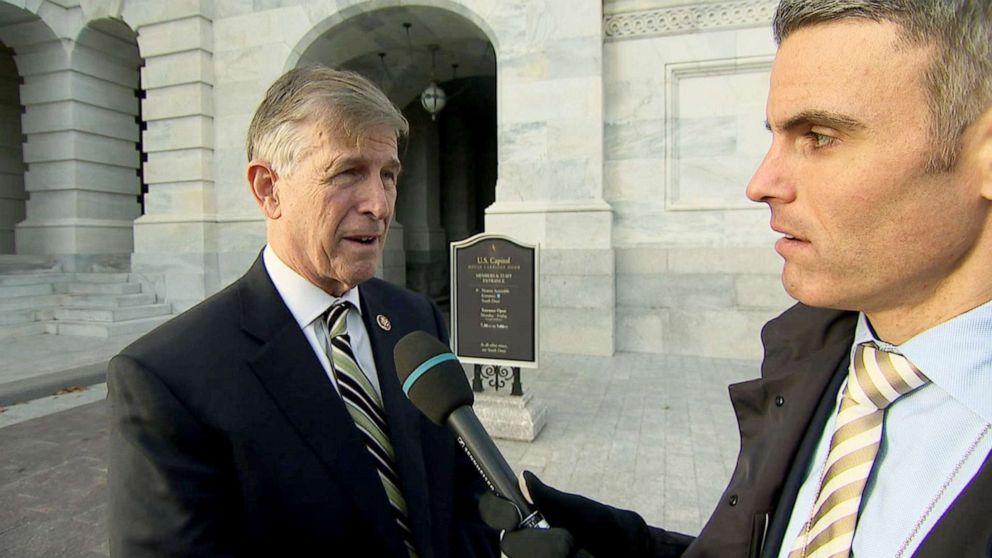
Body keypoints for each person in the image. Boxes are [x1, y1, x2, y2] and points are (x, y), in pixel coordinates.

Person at [482, 1, 992, 556]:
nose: (760, 183)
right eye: (773, 135)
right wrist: (612, 541)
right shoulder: (811, 353)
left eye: (819, 136)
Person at [108, 66, 498, 557]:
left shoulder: (416, 318)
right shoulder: (166, 379)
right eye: (347, 172)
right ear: (268, 188)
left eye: (389, 175)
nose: (379, 205)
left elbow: (462, 494)